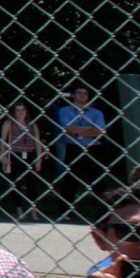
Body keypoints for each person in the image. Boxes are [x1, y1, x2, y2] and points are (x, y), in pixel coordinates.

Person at [53, 87, 111, 219]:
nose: (82, 95)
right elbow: (68, 128)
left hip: (94, 148)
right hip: (73, 147)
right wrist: (89, 129)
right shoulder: (65, 110)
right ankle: (64, 211)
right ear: (73, 95)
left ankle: (102, 212)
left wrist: (78, 131)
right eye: (79, 92)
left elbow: (100, 131)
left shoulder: (96, 113)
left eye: (85, 93)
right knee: (70, 180)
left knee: (97, 180)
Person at [0, 102, 48, 222]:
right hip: (15, 155)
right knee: (16, 184)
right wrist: (4, 156)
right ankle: (19, 210)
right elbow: (3, 141)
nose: (21, 113)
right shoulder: (9, 123)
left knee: (32, 184)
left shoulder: (32, 125)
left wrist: (39, 159)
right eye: (18, 110)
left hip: (30, 155)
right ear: (14, 112)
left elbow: (37, 142)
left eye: (23, 110)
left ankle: (33, 211)